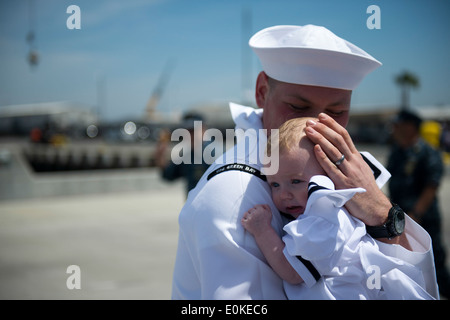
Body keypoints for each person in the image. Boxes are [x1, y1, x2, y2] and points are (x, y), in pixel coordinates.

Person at [171, 25, 438, 299]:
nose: (313, 125)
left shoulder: (348, 175)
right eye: (298, 107)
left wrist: (382, 213)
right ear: (262, 91)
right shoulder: (235, 196)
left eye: (336, 112)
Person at [241, 118, 435, 299]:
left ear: (331, 176)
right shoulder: (331, 214)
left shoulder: (323, 220)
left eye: (296, 181)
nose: (284, 194)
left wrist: (262, 230)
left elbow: (292, 272)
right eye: (275, 184)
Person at [387, 109, 450, 298]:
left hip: (423, 218)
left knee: (433, 259)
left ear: (410, 127)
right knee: (406, 261)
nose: (394, 129)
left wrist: (415, 214)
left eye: (398, 125)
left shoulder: (427, 152)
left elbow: (431, 186)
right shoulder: (397, 151)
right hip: (401, 217)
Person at [154, 112, 210, 196]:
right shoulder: (187, 155)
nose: (189, 134)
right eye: (186, 131)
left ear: (203, 129)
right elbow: (168, 175)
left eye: (192, 130)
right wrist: (160, 154)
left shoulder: (216, 153)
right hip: (192, 207)